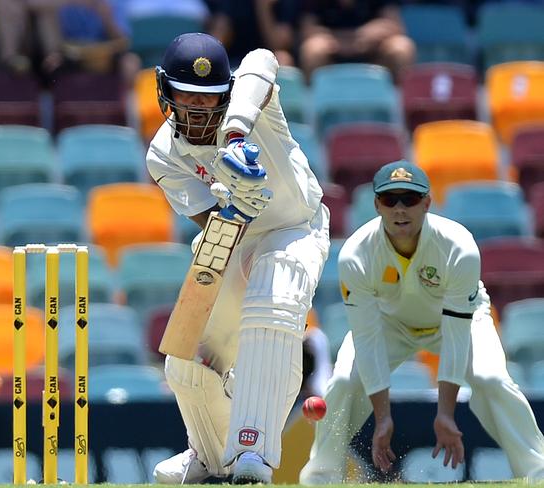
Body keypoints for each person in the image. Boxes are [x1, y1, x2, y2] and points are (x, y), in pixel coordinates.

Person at [146, 33, 330, 484]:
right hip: (233, 239)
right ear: (164, 90)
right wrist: (236, 208)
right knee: (187, 356)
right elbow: (215, 228)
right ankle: (209, 459)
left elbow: (263, 59)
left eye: (209, 99)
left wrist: (235, 135)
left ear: (225, 95)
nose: (196, 109)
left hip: (295, 230)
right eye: (186, 95)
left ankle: (253, 453)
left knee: (275, 295)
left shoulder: (253, 108)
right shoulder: (163, 155)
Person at [300, 160, 544, 484]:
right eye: (390, 200)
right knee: (343, 382)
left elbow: (456, 334)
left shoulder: (458, 246)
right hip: (390, 323)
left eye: (410, 199)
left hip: (459, 320)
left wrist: (445, 415)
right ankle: (321, 475)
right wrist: (382, 417)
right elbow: (367, 336)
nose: (400, 209)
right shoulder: (356, 254)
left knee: (491, 379)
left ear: (427, 202)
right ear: (376, 205)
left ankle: (536, 470)